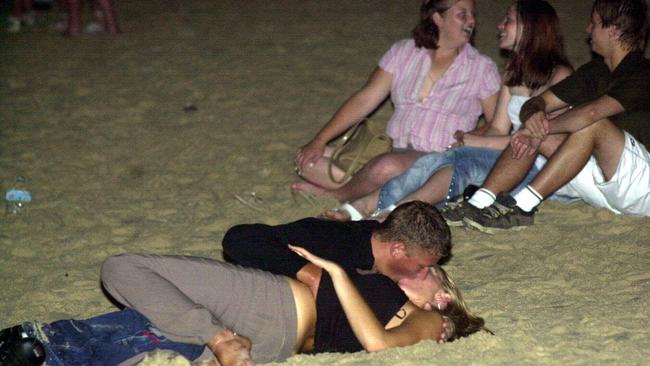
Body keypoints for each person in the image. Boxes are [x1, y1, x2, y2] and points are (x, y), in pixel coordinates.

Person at [0, 246, 487, 366]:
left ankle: (217, 338)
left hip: (271, 306)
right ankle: (44, 347)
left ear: (443, 296)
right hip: (276, 338)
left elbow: (377, 344)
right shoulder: (388, 292)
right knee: (152, 322)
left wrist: (338, 274)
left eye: (428, 272)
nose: (414, 270)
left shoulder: (430, 319)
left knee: (122, 269)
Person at [321, 0, 574, 222]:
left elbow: (541, 140)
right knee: (438, 162)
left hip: (538, 165)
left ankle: (395, 210)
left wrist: (473, 141)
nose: (499, 25)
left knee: (453, 166)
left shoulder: (560, 75)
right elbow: (498, 126)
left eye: (508, 20)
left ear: (529, 27)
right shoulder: (512, 72)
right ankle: (364, 205)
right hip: (510, 154)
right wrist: (471, 142)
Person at [450, 0, 650, 233]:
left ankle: (522, 207)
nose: (588, 30)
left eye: (594, 23)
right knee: (533, 135)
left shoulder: (643, 72)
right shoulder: (595, 71)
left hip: (642, 187)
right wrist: (533, 117)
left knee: (592, 125)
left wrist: (540, 128)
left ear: (613, 31)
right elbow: (537, 102)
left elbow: (592, 113)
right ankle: (479, 202)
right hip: (603, 188)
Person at [292, 0, 500, 204]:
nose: (471, 20)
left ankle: (336, 196)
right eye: (462, 14)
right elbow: (365, 99)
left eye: (473, 14)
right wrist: (320, 140)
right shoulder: (404, 52)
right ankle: (375, 189)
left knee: (385, 166)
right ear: (438, 18)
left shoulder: (481, 67)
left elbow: (497, 124)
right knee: (307, 160)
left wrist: (471, 138)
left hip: (435, 158)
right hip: (392, 147)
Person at [222, 201, 451, 296]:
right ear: (397, 249)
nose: (422, 273)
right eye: (421, 266)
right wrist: (311, 274)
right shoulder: (334, 240)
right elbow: (239, 238)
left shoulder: (369, 243)